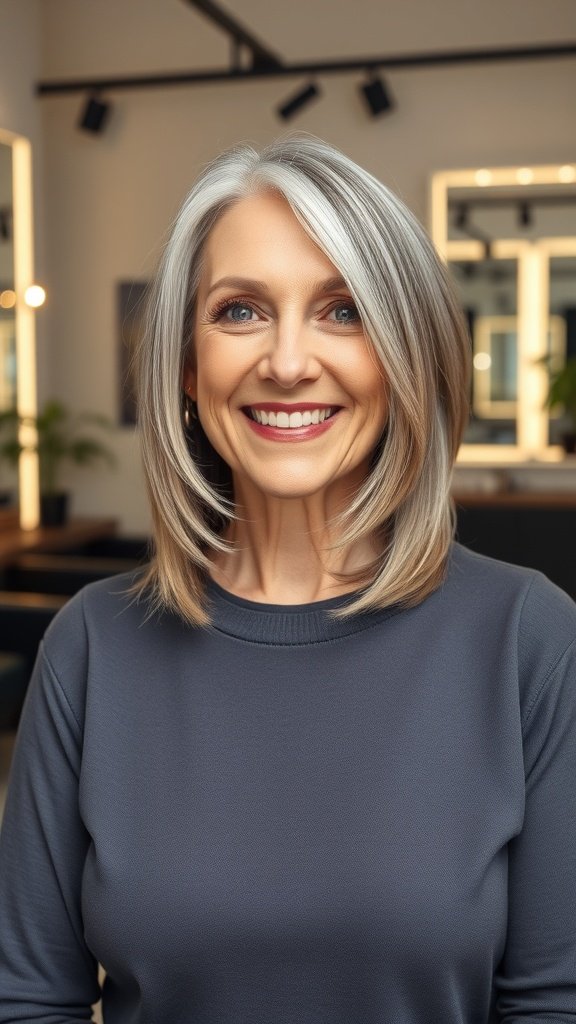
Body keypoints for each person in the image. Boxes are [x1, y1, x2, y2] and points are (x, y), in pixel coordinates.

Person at [0, 135, 575, 1023]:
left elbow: (553, 1007)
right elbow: (30, 1001)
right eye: (240, 312)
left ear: (406, 357)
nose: (289, 360)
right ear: (187, 367)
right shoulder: (92, 643)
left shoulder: (529, 640)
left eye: (344, 310)